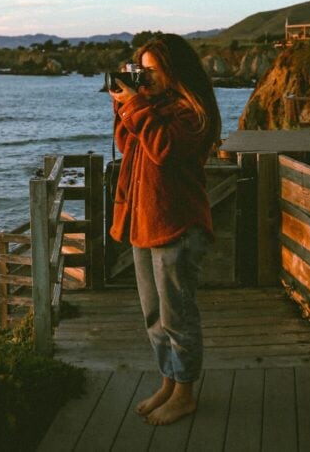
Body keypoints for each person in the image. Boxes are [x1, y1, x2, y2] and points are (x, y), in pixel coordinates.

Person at [108, 34, 221, 426]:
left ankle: (185, 394)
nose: (147, 78)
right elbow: (128, 144)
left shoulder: (192, 112)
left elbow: (165, 150)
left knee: (178, 316)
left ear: (175, 72)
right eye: (143, 71)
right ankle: (169, 383)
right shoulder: (151, 107)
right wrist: (122, 104)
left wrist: (136, 105)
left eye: (153, 71)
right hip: (145, 222)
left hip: (178, 224)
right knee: (154, 315)